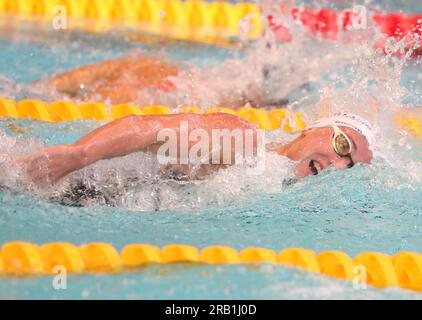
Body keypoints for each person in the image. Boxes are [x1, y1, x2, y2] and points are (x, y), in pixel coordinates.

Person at [16, 112, 374, 188]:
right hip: (71, 182)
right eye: (343, 145)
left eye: (351, 165)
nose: (339, 165)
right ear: (311, 128)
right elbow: (147, 130)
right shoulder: (243, 142)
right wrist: (79, 155)